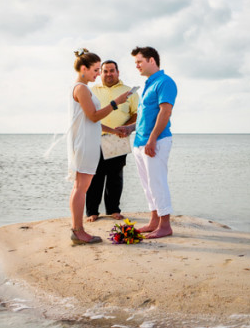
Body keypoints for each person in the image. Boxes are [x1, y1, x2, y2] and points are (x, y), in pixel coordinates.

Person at [68, 49, 132, 245]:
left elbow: (92, 121)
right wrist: (115, 103)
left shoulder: (84, 88)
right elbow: (93, 116)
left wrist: (113, 131)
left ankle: (77, 229)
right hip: (85, 143)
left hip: (89, 141)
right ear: (83, 68)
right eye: (96, 70)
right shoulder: (81, 88)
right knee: (81, 188)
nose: (98, 74)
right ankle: (78, 231)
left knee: (80, 187)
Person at [130, 46, 177, 239]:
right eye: (135, 63)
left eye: (139, 62)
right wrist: (129, 128)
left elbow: (165, 112)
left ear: (151, 60)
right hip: (140, 142)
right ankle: (154, 221)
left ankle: (165, 225)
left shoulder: (165, 82)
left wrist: (152, 139)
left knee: (157, 182)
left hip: (156, 141)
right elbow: (145, 116)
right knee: (147, 184)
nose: (137, 66)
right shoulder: (148, 84)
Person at [86, 60, 139, 222]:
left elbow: (136, 114)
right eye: (105, 71)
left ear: (118, 72)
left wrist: (128, 128)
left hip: (118, 138)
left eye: (112, 71)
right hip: (94, 138)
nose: (109, 74)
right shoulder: (91, 91)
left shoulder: (129, 92)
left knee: (115, 176)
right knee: (94, 176)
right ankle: (92, 212)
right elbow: (89, 115)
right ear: (100, 73)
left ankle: (113, 209)